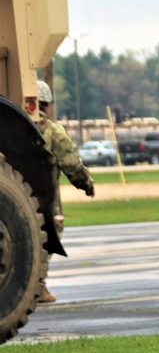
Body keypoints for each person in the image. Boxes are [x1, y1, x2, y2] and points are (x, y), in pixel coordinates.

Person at [33, 80, 95, 303]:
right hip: (43, 197)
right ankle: (37, 286)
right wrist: (86, 183)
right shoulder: (52, 131)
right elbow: (72, 164)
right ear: (46, 104)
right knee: (49, 233)